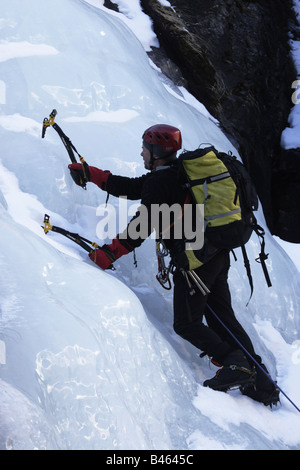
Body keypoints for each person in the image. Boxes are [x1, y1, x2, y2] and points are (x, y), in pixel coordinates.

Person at [68, 124, 279, 405]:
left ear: (155, 153)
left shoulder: (161, 183)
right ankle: (260, 383)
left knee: (186, 323)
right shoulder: (177, 172)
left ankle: (236, 363)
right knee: (221, 318)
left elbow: (141, 227)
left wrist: (109, 254)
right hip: (215, 253)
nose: (141, 152)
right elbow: (133, 187)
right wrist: (93, 175)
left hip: (195, 263)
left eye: (144, 148)